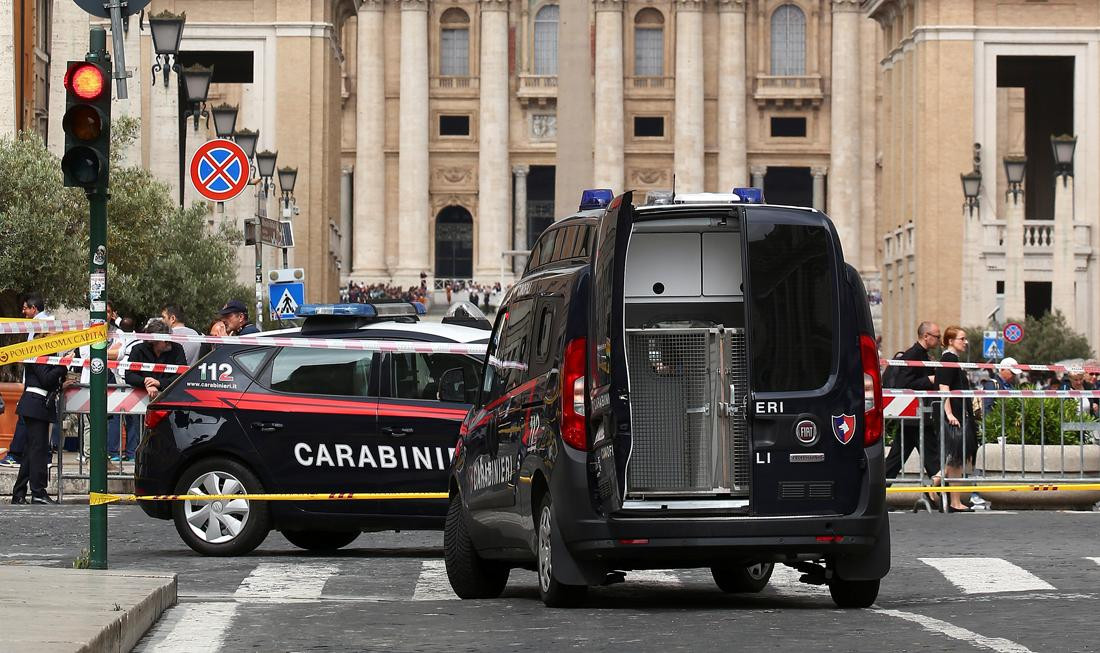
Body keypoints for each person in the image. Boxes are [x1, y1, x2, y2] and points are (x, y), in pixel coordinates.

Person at [883, 321, 943, 487]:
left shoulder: (922, 354)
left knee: (896, 458)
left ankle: (877, 492)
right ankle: (942, 495)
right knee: (932, 458)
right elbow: (905, 383)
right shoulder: (913, 354)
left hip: (914, 416)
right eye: (937, 337)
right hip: (917, 416)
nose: (939, 340)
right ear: (926, 336)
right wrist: (928, 380)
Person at [10, 351, 67, 505]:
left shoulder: (45, 354)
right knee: (38, 451)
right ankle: (38, 491)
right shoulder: (40, 353)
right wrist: (62, 365)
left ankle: (19, 492)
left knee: (31, 452)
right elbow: (46, 379)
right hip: (35, 404)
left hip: (38, 405)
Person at [935, 326, 977, 512]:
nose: (965, 342)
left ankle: (952, 499)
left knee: (956, 459)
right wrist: (950, 414)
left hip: (958, 415)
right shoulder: (948, 359)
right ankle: (951, 499)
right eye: (962, 338)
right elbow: (944, 388)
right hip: (955, 416)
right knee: (956, 458)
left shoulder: (952, 360)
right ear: (951, 341)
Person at [124, 319, 186, 401]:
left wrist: (160, 383)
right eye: (165, 340)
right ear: (153, 341)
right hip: (139, 401)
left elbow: (182, 375)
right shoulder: (138, 350)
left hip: (170, 399)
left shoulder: (177, 349)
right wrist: (146, 382)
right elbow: (129, 375)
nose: (169, 342)